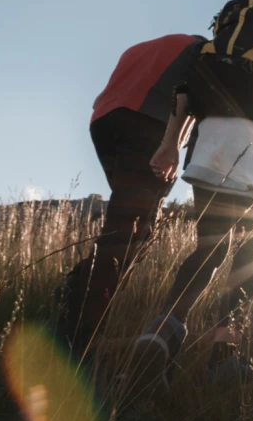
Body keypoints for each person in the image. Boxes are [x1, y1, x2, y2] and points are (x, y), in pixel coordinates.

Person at [131, 0, 253, 389]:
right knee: (249, 254)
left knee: (209, 248)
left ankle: (161, 331)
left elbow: (184, 101)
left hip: (210, 148)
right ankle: (223, 358)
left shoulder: (205, 50)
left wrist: (169, 147)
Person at [56, 33, 206, 359]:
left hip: (105, 120)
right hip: (148, 122)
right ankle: (77, 339)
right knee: (129, 235)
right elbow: (190, 95)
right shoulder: (203, 50)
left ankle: (73, 293)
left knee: (125, 227)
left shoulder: (147, 47)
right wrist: (175, 145)